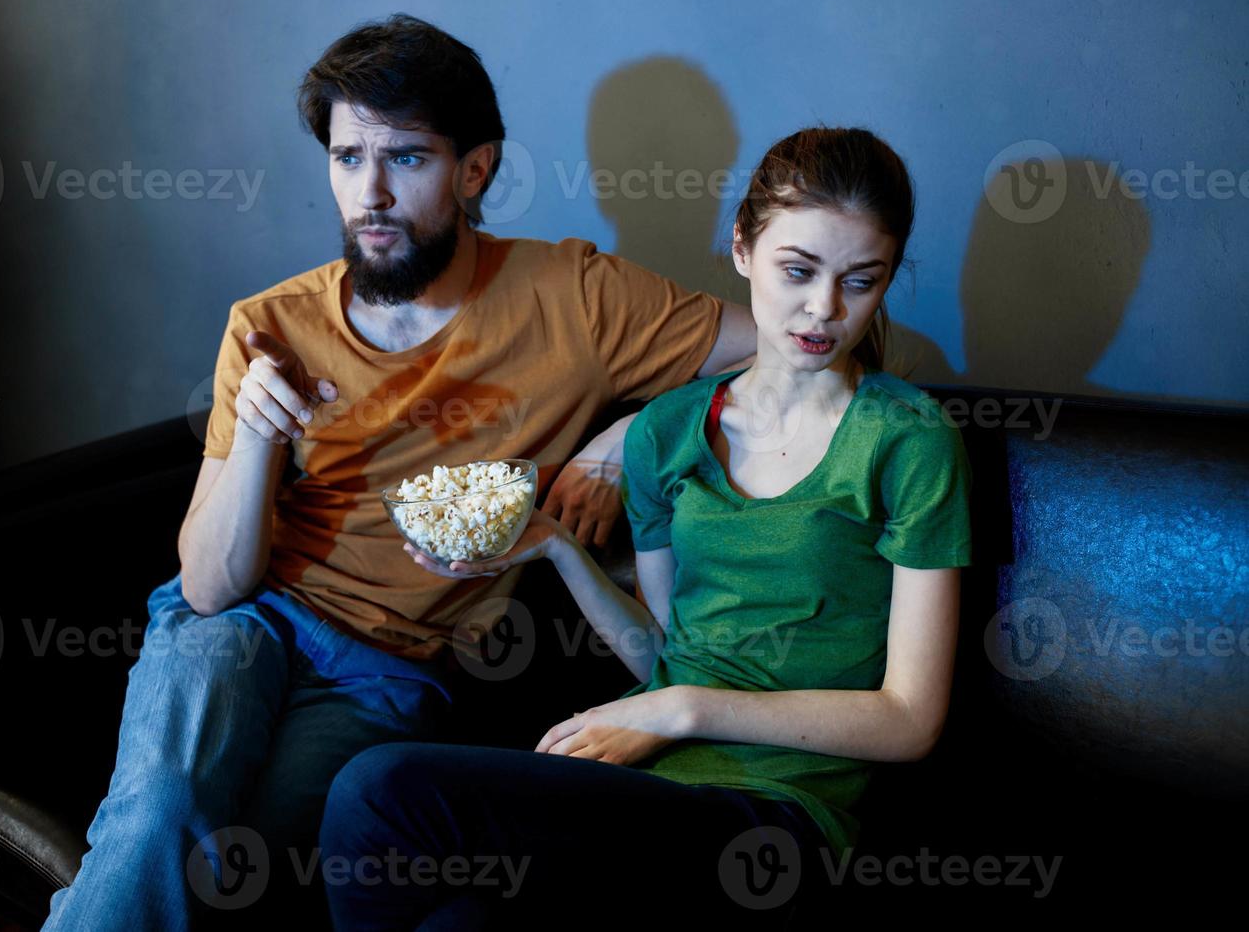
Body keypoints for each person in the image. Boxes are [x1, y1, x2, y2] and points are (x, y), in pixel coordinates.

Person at [39, 14, 757, 931]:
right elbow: (214, 587)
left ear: (475, 170)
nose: (369, 193)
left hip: (388, 669)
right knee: (159, 822)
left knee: (245, 873)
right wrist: (259, 433)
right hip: (249, 619)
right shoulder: (269, 327)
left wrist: (622, 437)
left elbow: (797, 348)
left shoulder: (577, 298)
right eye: (346, 159)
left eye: (406, 159)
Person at [317, 126, 974, 929]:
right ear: (741, 249)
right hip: (647, 789)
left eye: (861, 281)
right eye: (796, 271)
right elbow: (666, 653)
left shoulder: (908, 439)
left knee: (378, 789)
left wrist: (677, 711)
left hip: (775, 819)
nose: (824, 310)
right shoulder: (667, 431)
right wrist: (555, 547)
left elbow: (910, 721)